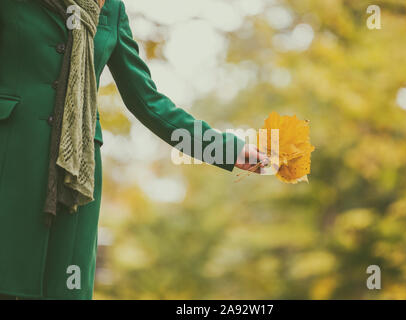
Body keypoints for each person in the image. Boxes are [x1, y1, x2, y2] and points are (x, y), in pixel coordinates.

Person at [0, 0, 267, 300]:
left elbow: (147, 101)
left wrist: (226, 150)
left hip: (76, 180)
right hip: (11, 161)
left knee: (66, 291)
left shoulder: (110, 9)